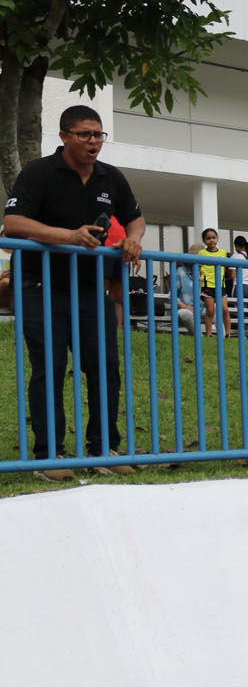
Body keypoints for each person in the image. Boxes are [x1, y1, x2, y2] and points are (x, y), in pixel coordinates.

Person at [3, 104, 145, 479]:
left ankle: (103, 451)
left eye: (98, 134)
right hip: (39, 285)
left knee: (105, 367)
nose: (94, 141)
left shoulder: (110, 177)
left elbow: (135, 217)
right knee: (49, 366)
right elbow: (13, 223)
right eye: (85, 134)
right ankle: (49, 457)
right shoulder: (38, 172)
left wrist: (133, 239)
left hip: (88, 289)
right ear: (64, 137)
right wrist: (68, 236)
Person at [198, 227, 233, 337]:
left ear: (217, 239)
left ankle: (228, 333)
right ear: (204, 241)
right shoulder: (202, 253)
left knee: (225, 310)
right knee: (210, 310)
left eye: (213, 237)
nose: (211, 240)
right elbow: (198, 267)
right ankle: (209, 334)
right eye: (208, 238)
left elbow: (227, 268)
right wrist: (199, 276)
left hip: (220, 285)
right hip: (208, 285)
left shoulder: (223, 253)